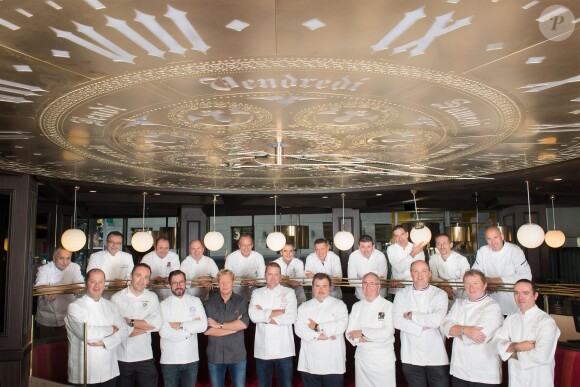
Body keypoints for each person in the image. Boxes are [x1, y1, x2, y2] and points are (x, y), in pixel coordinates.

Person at [65, 269, 129, 386]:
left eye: (100, 282)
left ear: (105, 283)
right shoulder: (74, 307)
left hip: (109, 371)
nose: (97, 286)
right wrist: (112, 329)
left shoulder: (111, 306)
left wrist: (106, 341)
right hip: (84, 373)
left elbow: (125, 330)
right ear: (86, 283)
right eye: (93, 281)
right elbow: (87, 334)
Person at [440, 269, 504, 386]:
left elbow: (475, 338)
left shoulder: (493, 307)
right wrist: (466, 330)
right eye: (467, 284)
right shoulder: (459, 303)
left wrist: (455, 330)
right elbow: (443, 327)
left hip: (484, 374)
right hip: (459, 371)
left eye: (475, 283)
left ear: (484, 285)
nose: (471, 287)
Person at [393, 260, 449, 387]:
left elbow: (437, 320)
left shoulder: (440, 294)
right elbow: (397, 322)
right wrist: (423, 326)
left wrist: (412, 315)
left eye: (423, 271)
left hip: (436, 355)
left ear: (429, 273)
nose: (420, 275)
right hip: (410, 356)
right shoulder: (401, 295)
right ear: (411, 274)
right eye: (415, 271)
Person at [495, 279, 560, 387]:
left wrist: (511, 352)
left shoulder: (546, 321)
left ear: (535, 295)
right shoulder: (511, 319)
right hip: (516, 380)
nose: (520, 297)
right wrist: (517, 346)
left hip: (539, 380)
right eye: (516, 293)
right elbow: (496, 343)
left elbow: (541, 356)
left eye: (526, 293)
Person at [110, 263, 162, 387]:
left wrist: (130, 322)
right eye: (138, 276)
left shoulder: (152, 297)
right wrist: (147, 328)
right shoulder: (117, 298)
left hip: (145, 357)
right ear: (131, 276)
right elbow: (117, 330)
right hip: (122, 358)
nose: (141, 280)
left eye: (146, 277)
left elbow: (158, 324)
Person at [249, 262, 298, 387]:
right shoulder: (257, 293)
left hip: (284, 349)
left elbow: (291, 317)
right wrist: (280, 312)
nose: (273, 278)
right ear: (265, 275)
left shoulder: (289, 292)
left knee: (286, 385)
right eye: (270, 274)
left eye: (276, 275)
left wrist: (264, 315)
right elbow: (253, 316)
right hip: (263, 349)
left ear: (280, 276)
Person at [295, 273, 348, 387]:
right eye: (317, 286)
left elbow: (341, 326)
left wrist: (316, 327)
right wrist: (321, 336)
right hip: (310, 363)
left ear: (330, 287)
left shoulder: (339, 305)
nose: (321, 290)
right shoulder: (304, 306)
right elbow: (299, 329)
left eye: (324, 286)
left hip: (333, 363)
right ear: (312, 287)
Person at [159, 270, 208, 387]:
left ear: (186, 283)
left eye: (181, 282)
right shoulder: (163, 305)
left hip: (191, 358)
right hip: (169, 360)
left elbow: (203, 325)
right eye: (175, 283)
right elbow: (164, 332)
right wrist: (189, 332)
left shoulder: (195, 301)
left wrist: (180, 325)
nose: (178, 286)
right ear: (169, 285)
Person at [346, 272, 396, 387]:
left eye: (372, 283)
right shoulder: (356, 306)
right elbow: (349, 333)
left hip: (382, 359)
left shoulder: (388, 306)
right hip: (362, 359)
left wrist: (362, 333)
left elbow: (386, 332)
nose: (368, 287)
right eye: (365, 283)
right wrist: (369, 338)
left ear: (379, 286)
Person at [204, 269, 250, 387]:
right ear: (217, 284)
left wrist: (219, 325)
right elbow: (208, 331)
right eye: (221, 282)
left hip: (237, 355)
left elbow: (243, 324)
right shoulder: (209, 303)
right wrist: (234, 327)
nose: (224, 285)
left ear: (233, 283)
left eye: (228, 282)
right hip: (215, 356)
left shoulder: (242, 302)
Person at [472, 226, 532, 315]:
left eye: (495, 237)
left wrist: (499, 280)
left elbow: (526, 276)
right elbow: (474, 273)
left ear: (502, 237)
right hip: (489, 301)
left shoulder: (514, 250)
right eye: (489, 239)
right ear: (486, 240)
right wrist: (485, 282)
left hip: (511, 302)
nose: (493, 242)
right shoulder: (482, 251)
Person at [35, 247, 84, 338]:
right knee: (46, 348)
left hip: (68, 316)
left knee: (64, 348)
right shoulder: (44, 269)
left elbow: (80, 285)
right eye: (61, 258)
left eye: (68, 258)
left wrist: (58, 291)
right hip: (47, 317)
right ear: (54, 257)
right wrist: (69, 288)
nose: (65, 262)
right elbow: (39, 287)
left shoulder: (74, 267)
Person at [386, 225, 426, 296]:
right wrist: (413, 253)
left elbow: (419, 269)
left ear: (407, 234)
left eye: (402, 234)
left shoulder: (417, 247)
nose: (400, 238)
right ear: (394, 238)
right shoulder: (391, 249)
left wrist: (401, 281)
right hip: (397, 289)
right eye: (397, 236)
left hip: (414, 287)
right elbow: (398, 268)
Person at [429, 234, 470, 302]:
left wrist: (447, 284)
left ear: (451, 244)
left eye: (445, 243)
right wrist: (446, 286)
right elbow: (433, 278)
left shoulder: (461, 259)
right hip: (441, 294)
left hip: (460, 296)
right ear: (436, 246)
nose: (442, 246)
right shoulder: (433, 259)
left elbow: (466, 280)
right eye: (439, 244)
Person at [224, 234, 265, 302]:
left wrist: (256, 281)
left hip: (253, 296)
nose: (246, 248)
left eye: (249, 245)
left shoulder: (258, 257)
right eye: (243, 245)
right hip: (235, 296)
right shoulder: (230, 258)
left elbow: (263, 279)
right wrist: (241, 281)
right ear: (239, 246)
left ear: (252, 245)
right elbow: (227, 279)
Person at [347, 235, 388, 300]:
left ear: (373, 246)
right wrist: (374, 281)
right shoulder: (353, 256)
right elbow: (351, 281)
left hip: (380, 296)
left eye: (368, 247)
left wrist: (362, 280)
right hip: (361, 296)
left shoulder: (380, 256)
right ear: (359, 247)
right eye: (363, 247)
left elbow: (382, 281)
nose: (366, 250)